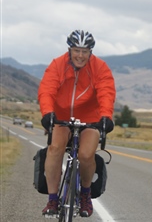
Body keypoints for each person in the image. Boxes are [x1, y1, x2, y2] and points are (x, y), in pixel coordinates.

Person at [38, 30, 116, 218]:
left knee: (86, 154)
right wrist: (47, 112)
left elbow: (106, 91)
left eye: (85, 51)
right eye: (76, 50)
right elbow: (47, 89)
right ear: (69, 50)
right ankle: (53, 198)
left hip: (90, 118)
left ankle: (86, 195)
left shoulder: (100, 67)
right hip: (61, 117)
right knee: (55, 148)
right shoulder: (58, 64)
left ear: (90, 52)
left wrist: (106, 116)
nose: (80, 55)